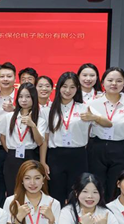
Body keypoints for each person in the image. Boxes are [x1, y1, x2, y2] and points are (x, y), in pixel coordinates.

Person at [42, 72, 107, 204]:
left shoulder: (84, 108)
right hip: (55, 155)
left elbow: (108, 123)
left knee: (77, 193)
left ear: (77, 89)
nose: (68, 90)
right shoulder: (48, 110)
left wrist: (94, 117)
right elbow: (45, 138)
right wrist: (43, 162)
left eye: (72, 87)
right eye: (64, 86)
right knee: (55, 194)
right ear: (59, 87)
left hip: (78, 155)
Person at [86, 67, 124, 200]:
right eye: (110, 80)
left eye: (118, 81)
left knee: (118, 186)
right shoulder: (92, 104)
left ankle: (115, 212)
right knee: (96, 185)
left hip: (122, 149)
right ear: (103, 82)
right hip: (97, 147)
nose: (114, 83)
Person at [0, 83, 47, 197]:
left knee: (31, 189)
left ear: (34, 98)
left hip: (30, 156)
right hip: (12, 157)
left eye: (28, 97)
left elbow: (40, 142)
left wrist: (33, 125)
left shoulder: (40, 120)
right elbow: (2, 137)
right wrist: (11, 151)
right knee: (12, 191)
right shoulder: (9, 117)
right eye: (20, 96)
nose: (24, 100)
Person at [0, 62, 19, 206]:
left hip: (15, 149)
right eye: (2, 76)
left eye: (9, 76)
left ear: (15, 78)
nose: (5, 79)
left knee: (15, 187)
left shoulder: (22, 97)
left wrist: (15, 109)